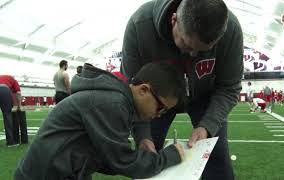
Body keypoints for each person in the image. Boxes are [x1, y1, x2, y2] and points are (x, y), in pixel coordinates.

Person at [121, 0, 243, 179]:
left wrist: (207, 126)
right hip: (157, 99)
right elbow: (132, 90)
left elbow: (229, 86)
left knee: (217, 157)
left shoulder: (230, 30)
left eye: (203, 51)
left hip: (206, 96)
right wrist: (142, 136)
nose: (193, 55)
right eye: (187, 45)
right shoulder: (139, 26)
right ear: (173, 20)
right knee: (147, 156)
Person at [15, 62, 185, 180]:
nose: (160, 115)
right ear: (143, 90)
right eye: (161, 107)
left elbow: (108, 159)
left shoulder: (118, 102)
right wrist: (169, 156)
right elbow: (123, 161)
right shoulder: (113, 104)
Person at [0, 75, 22, 146]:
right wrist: (19, 105)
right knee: (7, 116)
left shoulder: (3, 78)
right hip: (4, 90)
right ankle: (10, 142)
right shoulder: (14, 80)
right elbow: (18, 93)